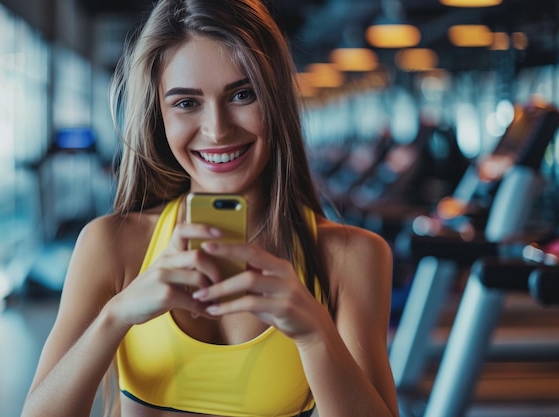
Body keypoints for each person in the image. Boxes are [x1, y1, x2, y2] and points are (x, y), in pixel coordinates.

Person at [20, 0, 399, 416]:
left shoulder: (350, 257)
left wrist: (313, 334)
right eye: (186, 102)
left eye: (242, 94)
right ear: (158, 115)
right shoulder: (111, 244)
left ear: (275, 102)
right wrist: (116, 316)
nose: (217, 129)